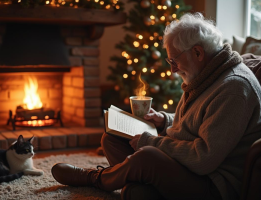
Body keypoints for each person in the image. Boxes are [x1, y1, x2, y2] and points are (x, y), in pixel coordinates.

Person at [51, 13, 261, 200]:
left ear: (197, 52)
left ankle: (95, 178)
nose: (172, 70)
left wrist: (153, 142)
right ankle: (142, 189)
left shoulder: (233, 88)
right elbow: (200, 121)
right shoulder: (208, 73)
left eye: (174, 61)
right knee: (112, 137)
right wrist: (164, 120)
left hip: (213, 183)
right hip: (189, 168)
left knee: (147, 156)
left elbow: (204, 157)